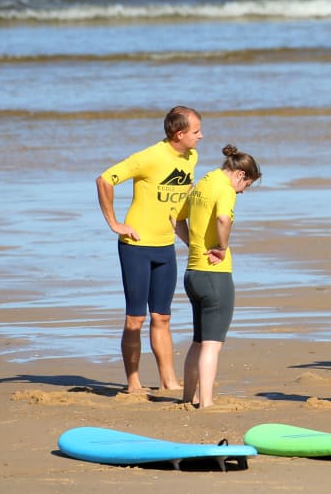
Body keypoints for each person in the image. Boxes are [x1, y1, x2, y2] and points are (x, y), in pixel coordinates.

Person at [96, 106, 203, 393]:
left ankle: (168, 381)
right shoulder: (150, 157)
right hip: (137, 246)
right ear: (179, 134)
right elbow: (105, 179)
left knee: (163, 316)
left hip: (165, 247)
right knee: (136, 317)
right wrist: (114, 223)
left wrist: (192, 242)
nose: (200, 136)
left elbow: (179, 210)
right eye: (196, 131)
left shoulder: (191, 157)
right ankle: (133, 383)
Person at [173, 144, 261, 408]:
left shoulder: (203, 182)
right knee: (212, 344)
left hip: (192, 273)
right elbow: (224, 219)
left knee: (198, 341)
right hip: (215, 275)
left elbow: (176, 219)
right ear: (239, 175)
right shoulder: (224, 189)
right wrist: (222, 248)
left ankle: (188, 397)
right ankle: (206, 402)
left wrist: (193, 245)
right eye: (247, 185)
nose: (243, 191)